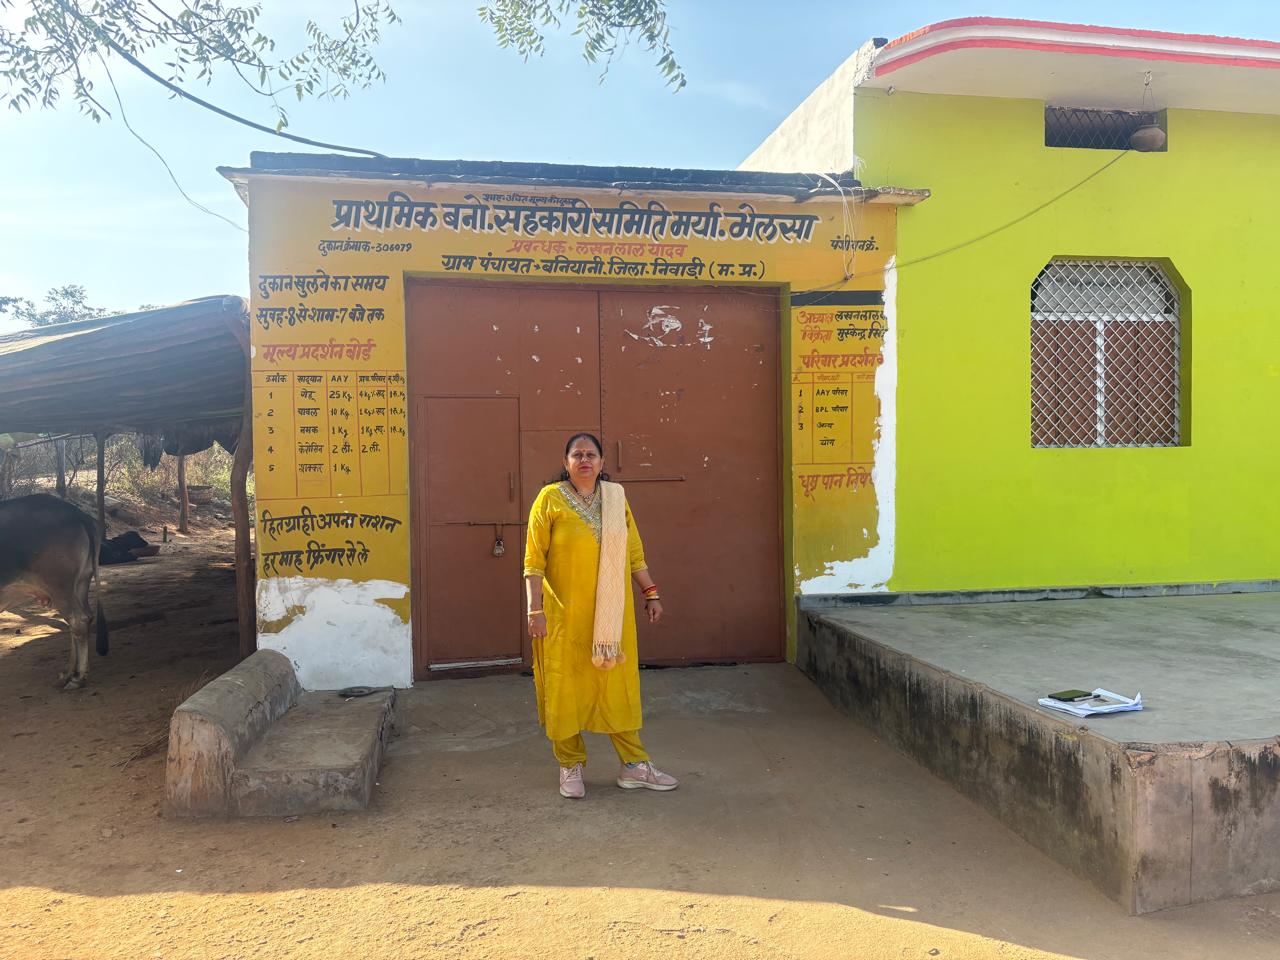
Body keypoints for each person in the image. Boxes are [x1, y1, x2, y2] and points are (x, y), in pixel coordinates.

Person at [523, 432, 679, 799]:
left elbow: (634, 553)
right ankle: (570, 764)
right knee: (565, 686)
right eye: (577, 455)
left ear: (602, 463)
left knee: (615, 685)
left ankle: (633, 765)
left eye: (591, 454)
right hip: (565, 617)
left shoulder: (615, 499)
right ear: (565, 463)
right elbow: (533, 561)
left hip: (612, 616)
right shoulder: (549, 499)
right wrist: (535, 609)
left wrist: (651, 593)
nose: (584, 460)